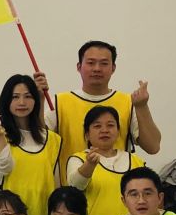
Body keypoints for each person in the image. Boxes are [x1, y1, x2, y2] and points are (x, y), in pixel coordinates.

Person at [45, 40, 162, 179]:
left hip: (116, 188)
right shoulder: (59, 102)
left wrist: (142, 107)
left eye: (104, 63)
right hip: (73, 189)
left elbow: (153, 147)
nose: (97, 68)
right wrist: (39, 97)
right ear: (79, 67)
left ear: (113, 68)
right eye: (91, 63)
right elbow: (36, 140)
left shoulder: (128, 102)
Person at [0, 73, 61, 215]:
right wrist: (0, 136)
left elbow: (56, 182)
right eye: (15, 97)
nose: (22, 102)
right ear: (6, 101)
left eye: (28, 96)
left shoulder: (51, 139)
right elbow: (4, 167)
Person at [66, 104, 146, 215]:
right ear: (87, 134)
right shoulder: (78, 159)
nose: (104, 130)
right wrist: (89, 165)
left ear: (118, 132)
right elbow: (75, 187)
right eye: (97, 126)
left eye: (110, 125)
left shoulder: (135, 160)